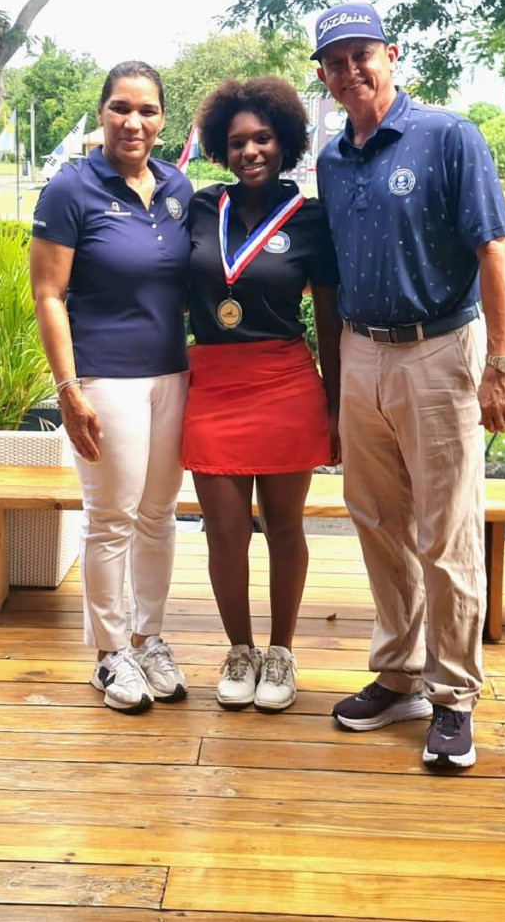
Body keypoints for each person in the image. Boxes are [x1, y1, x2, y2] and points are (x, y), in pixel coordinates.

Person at [312, 1, 505, 769]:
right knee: (376, 518)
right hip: (362, 351)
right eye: (333, 61)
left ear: (392, 55)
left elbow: (495, 253)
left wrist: (500, 365)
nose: (349, 70)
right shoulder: (333, 161)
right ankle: (399, 673)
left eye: (360, 53)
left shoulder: (448, 136)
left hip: (441, 349)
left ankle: (454, 694)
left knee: (447, 529)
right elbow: (328, 278)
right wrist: (338, 386)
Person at [29, 61, 192, 715]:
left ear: (161, 119)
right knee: (112, 517)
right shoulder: (70, 190)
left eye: (148, 110)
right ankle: (109, 652)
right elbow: (47, 294)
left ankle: (149, 637)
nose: (134, 121)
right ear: (101, 113)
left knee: (159, 514)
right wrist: (67, 387)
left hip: (172, 376)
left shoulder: (179, 186)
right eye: (121, 107)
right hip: (104, 377)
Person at [182, 76, 341, 713]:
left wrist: (335, 400)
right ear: (222, 146)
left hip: (284, 382)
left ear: (287, 143)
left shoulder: (310, 219)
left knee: (283, 526)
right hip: (213, 384)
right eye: (239, 141)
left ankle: (281, 653)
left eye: (264, 139)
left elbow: (328, 319)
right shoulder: (200, 206)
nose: (252, 151)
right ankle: (239, 649)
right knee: (223, 532)